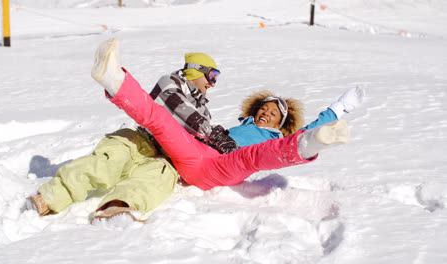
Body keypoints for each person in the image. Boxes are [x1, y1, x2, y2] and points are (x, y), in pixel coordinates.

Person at [92, 38, 365, 193]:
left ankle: (311, 144)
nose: (265, 114)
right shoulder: (231, 126)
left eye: (273, 115)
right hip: (195, 154)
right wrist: (214, 136)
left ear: (280, 125)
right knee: (159, 120)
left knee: (255, 156)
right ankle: (116, 82)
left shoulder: (275, 138)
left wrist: (339, 108)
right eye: (264, 109)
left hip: (227, 166)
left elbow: (289, 138)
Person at [27, 39, 223, 223]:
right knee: (106, 162)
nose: (213, 83)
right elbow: (179, 109)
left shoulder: (204, 111)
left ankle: (118, 207)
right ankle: (51, 196)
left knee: (155, 181)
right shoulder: (170, 83)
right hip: (139, 139)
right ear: (197, 71)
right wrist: (213, 133)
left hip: (165, 158)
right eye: (212, 75)